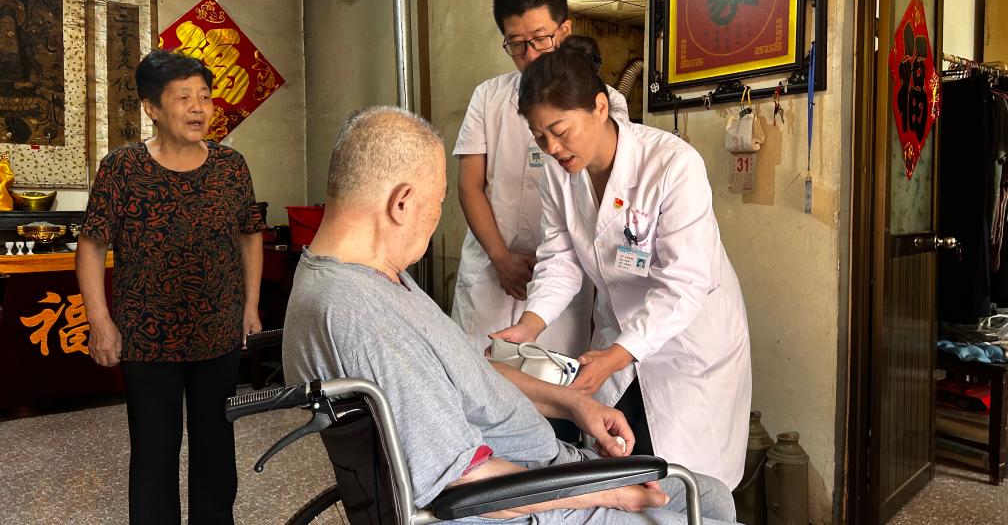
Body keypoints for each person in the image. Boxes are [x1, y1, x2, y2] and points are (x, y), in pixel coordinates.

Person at [282, 106, 739, 524]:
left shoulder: (369, 279)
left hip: (543, 470)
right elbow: (462, 482)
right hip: (526, 500)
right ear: (401, 203)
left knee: (711, 495)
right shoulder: (362, 316)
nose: (436, 219)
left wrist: (573, 404)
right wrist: (610, 493)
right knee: (701, 504)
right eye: (438, 202)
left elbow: (464, 375)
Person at [490, 41, 752, 489]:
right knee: (621, 468)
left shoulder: (671, 164)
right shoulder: (558, 171)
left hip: (687, 342)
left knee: (689, 482)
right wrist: (530, 325)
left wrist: (617, 355)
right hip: (618, 337)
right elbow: (560, 258)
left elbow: (684, 285)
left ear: (599, 107)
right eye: (539, 136)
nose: (552, 147)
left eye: (560, 130)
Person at [77, 50, 265, 524]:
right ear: (152, 108)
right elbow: (92, 245)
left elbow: (250, 234)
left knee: (216, 446)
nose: (199, 107)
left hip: (217, 331)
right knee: (154, 449)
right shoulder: (123, 167)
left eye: (205, 96)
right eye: (183, 97)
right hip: (147, 335)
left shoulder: (230, 166)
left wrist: (251, 305)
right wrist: (100, 321)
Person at [452, 0, 629, 358]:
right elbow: (469, 185)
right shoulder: (488, 97)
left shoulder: (604, 102)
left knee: (551, 381)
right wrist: (501, 258)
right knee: (477, 375)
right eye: (517, 44)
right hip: (490, 273)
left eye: (540, 39)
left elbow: (599, 200)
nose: (530, 54)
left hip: (561, 274)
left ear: (564, 30)